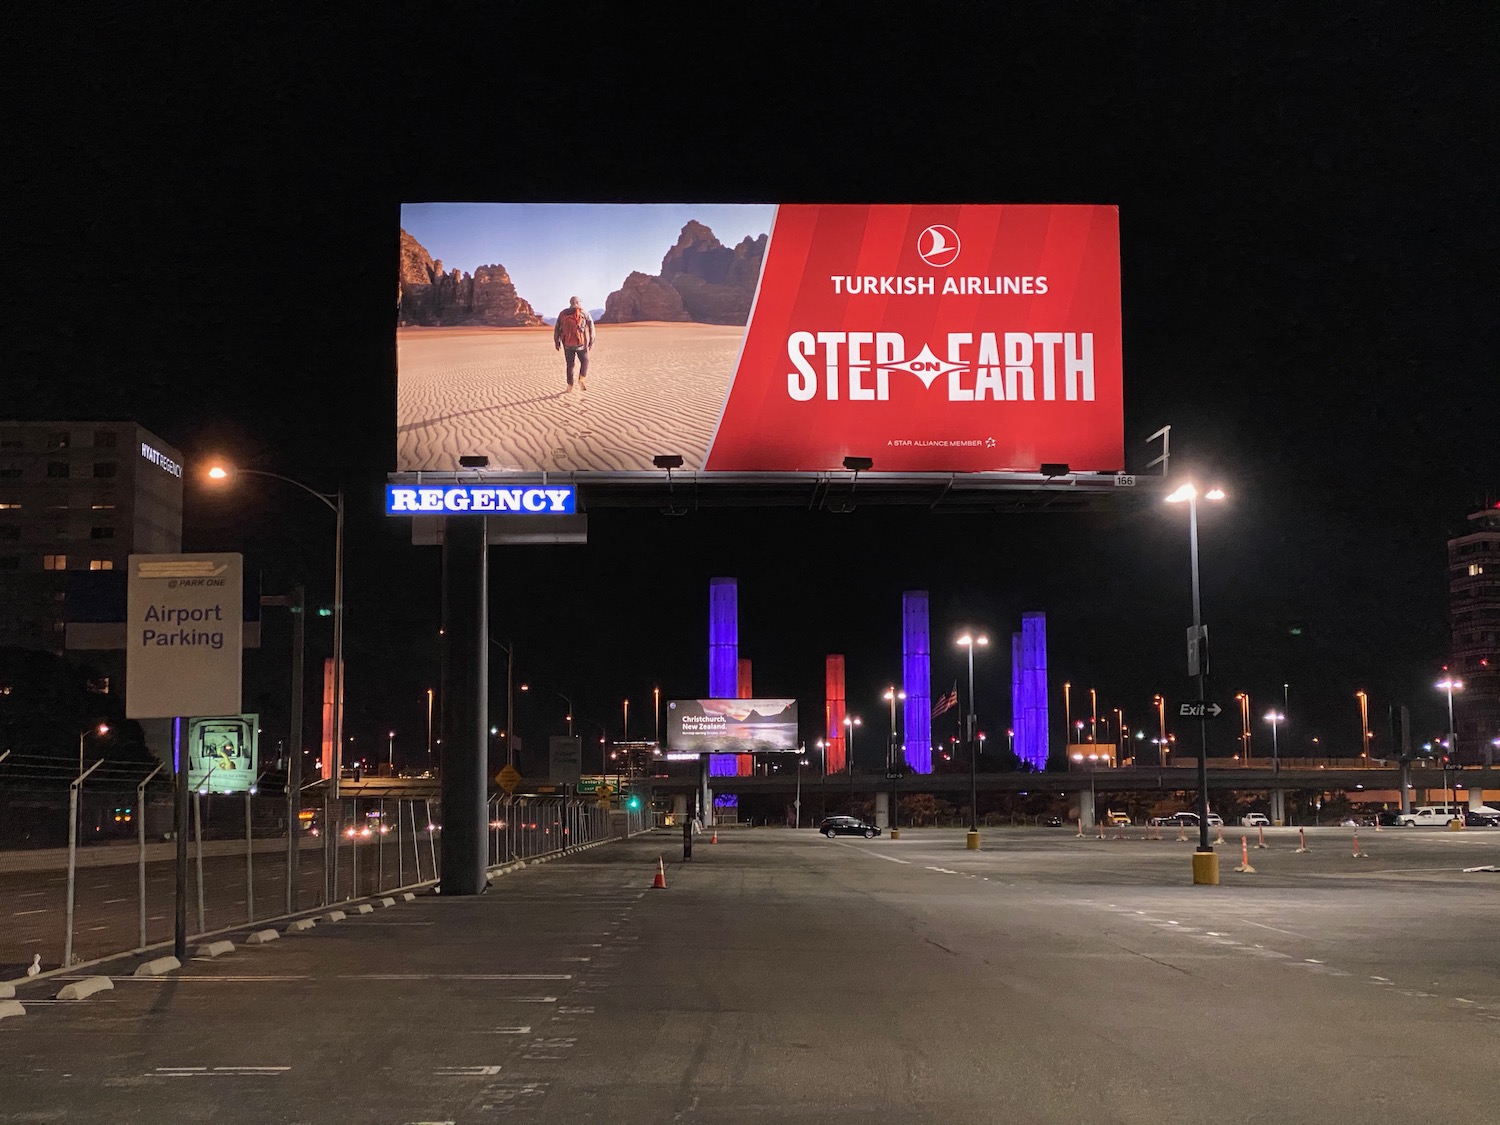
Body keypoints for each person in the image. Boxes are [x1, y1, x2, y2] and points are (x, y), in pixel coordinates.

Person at [553, 296, 595, 391]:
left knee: (570, 364)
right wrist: (591, 341)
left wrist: (557, 341)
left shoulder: (563, 313)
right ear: (578, 302)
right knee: (585, 361)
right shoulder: (584, 313)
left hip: (567, 344)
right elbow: (592, 328)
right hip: (581, 344)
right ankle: (581, 379)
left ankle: (570, 385)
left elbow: (557, 328)